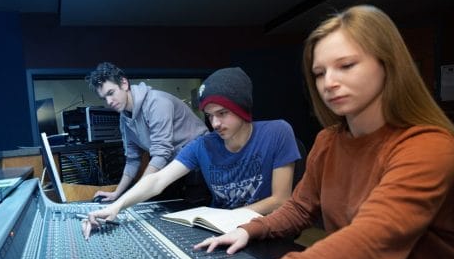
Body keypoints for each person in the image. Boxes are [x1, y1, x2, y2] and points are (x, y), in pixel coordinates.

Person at [167, 5, 454, 259]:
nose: (329, 83)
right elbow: (299, 209)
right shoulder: (329, 141)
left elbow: (371, 240)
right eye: (319, 73)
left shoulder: (428, 145)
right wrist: (247, 229)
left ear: (387, 64)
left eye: (346, 65)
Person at [82, 66, 302, 238]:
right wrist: (117, 205)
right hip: (221, 231)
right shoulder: (203, 145)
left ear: (242, 107)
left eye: (222, 113)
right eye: (209, 115)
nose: (214, 123)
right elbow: (157, 179)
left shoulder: (278, 132)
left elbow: (281, 200)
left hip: (264, 231)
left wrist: (227, 218)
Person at [85, 62, 208, 203]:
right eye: (104, 98)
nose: (109, 102)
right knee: (159, 206)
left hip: (200, 161)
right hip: (172, 162)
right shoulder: (124, 117)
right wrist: (117, 193)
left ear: (124, 84)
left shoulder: (156, 102)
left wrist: (132, 195)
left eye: (111, 93)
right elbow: (132, 159)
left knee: (189, 211)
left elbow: (161, 152)